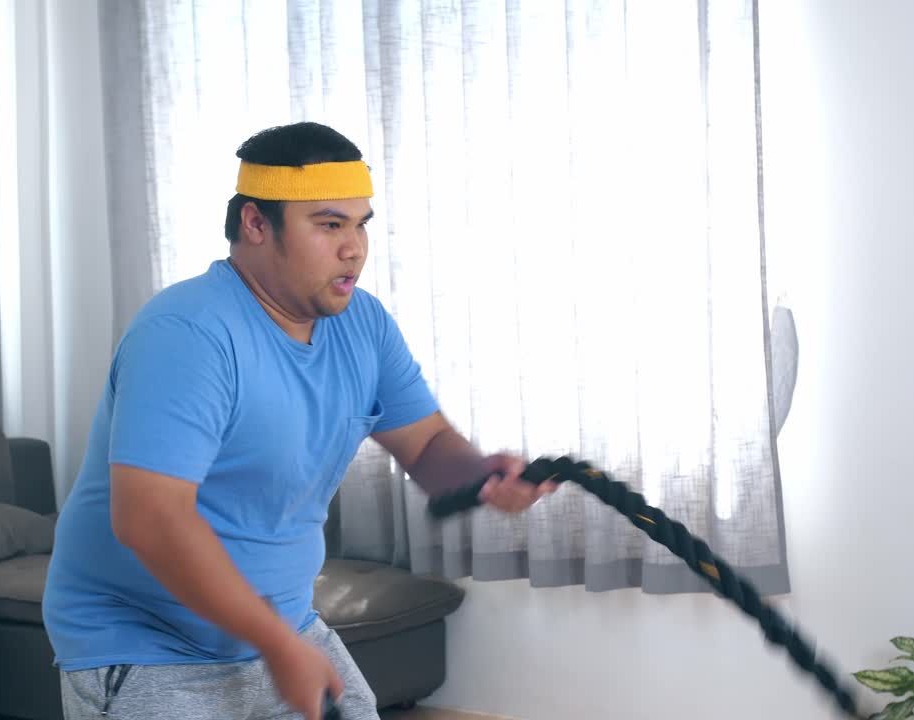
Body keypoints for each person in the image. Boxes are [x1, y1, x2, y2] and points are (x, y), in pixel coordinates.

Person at [42, 121, 556, 720]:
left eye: (361, 224)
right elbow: (149, 519)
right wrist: (275, 642)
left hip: (282, 627)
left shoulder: (362, 323)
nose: (354, 248)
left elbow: (428, 445)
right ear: (257, 224)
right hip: (149, 644)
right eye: (329, 224)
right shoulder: (187, 334)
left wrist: (479, 475)